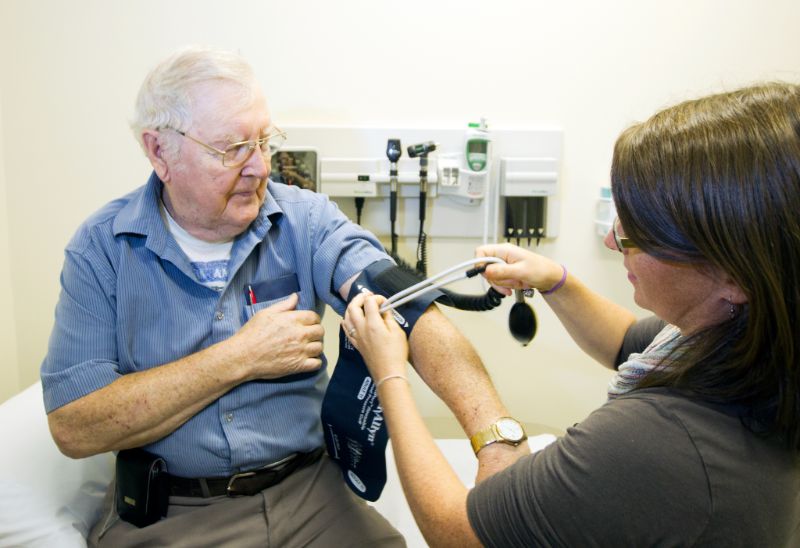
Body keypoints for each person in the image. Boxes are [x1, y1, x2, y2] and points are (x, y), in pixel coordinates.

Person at [39, 45, 527, 547]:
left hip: (310, 494)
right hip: (176, 512)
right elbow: (75, 426)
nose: (258, 167)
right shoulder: (103, 249)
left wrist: (495, 436)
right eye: (231, 149)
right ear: (160, 151)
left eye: (264, 142)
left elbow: (407, 309)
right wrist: (240, 357)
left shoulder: (306, 221)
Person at [344, 82, 800, 546]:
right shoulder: (744, 337)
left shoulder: (658, 441)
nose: (610, 241)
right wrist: (556, 281)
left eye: (634, 236)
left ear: (733, 275)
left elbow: (458, 533)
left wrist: (390, 375)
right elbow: (626, 341)